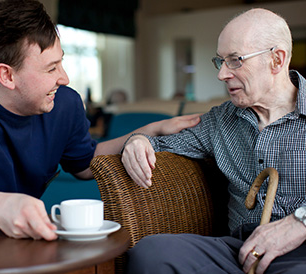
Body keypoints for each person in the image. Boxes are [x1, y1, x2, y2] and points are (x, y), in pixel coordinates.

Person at [0, 0, 201, 241]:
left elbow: (85, 163)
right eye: (51, 68)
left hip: (19, 243)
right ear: (7, 76)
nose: (64, 78)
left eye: (61, 63)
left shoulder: (64, 104)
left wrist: (149, 131)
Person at [121, 8, 306, 274]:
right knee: (151, 254)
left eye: (235, 60)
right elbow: (160, 145)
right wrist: (138, 141)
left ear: (276, 60)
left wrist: (300, 222)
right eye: (221, 61)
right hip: (238, 250)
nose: (222, 75)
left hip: (301, 251)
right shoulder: (220, 121)